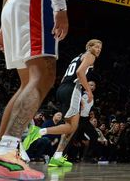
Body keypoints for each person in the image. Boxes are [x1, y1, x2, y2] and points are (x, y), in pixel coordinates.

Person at [0, 0, 93, 181]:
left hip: (16, 3)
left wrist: (3, 23)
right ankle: (7, 151)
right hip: (38, 0)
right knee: (44, 76)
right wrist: (60, 9)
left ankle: (2, 149)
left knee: (28, 81)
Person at [23, 39, 102, 168]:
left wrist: (77, 98)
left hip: (64, 89)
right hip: (72, 90)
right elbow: (79, 72)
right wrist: (88, 91)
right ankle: (38, 132)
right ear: (89, 47)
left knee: (69, 126)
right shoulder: (90, 56)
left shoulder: (78, 57)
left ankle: (57, 157)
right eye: (96, 47)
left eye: (100, 48)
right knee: (71, 127)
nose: (98, 50)